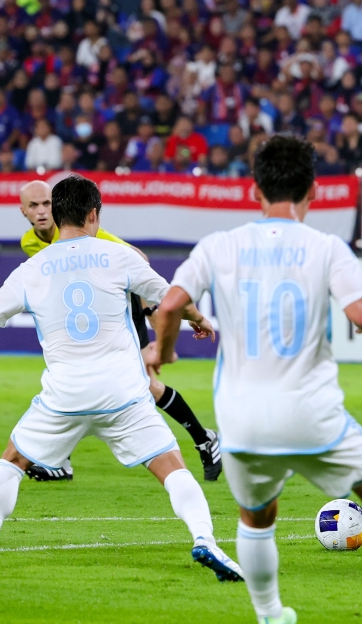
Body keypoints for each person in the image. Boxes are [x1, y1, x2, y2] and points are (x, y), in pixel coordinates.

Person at [153, 135, 362, 624]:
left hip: (241, 419)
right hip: (310, 412)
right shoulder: (324, 247)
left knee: (256, 517)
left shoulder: (219, 245)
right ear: (313, 191)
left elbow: (169, 307)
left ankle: (270, 617)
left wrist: (164, 352)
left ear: (255, 189)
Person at [0, 175, 239, 582]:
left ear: (57, 215)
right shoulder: (117, 255)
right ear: (94, 214)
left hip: (64, 396)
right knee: (172, 467)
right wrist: (199, 319)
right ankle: (206, 539)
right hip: (124, 393)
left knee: (11, 462)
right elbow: (172, 300)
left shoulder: (30, 268)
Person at [17, 180, 222, 482]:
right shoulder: (29, 242)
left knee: (141, 385)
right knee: (76, 376)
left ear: (57, 205)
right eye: (34, 206)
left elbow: (137, 260)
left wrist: (150, 311)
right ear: (23, 211)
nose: (42, 211)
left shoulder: (93, 235)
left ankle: (205, 438)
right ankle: (61, 462)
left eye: (47, 203)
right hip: (84, 317)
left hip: (121, 309)